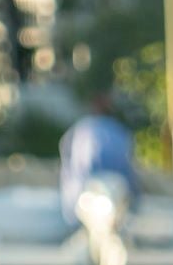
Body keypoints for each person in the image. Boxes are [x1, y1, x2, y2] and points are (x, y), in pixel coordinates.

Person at [56, 92, 138, 232]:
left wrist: (70, 205)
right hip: (109, 185)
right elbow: (128, 166)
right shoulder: (119, 131)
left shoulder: (81, 129)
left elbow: (69, 165)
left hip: (89, 185)